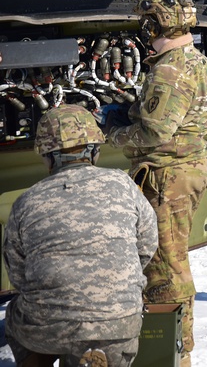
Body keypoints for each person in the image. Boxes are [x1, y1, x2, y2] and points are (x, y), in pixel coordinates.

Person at [105, 0, 207, 367]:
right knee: (173, 259)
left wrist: (112, 133)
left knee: (166, 269)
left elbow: (155, 132)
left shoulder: (169, 69)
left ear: (155, 23)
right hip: (186, 170)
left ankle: (177, 354)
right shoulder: (194, 59)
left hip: (167, 176)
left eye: (145, 21)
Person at [3, 104, 158, 367]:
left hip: (48, 327)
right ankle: (92, 355)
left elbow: (18, 274)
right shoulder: (124, 185)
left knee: (15, 314)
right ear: (95, 151)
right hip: (118, 324)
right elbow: (146, 246)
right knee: (110, 333)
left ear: (48, 157)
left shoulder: (26, 201)